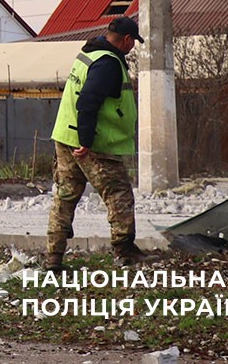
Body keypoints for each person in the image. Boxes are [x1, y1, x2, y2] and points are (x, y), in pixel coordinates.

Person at [47, 16, 153, 270]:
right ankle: (125, 251)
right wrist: (86, 141)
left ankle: (53, 257)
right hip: (94, 143)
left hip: (65, 136)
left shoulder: (89, 53)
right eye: (133, 42)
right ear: (126, 39)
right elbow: (88, 101)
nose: (132, 47)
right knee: (118, 194)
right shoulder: (108, 63)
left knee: (65, 196)